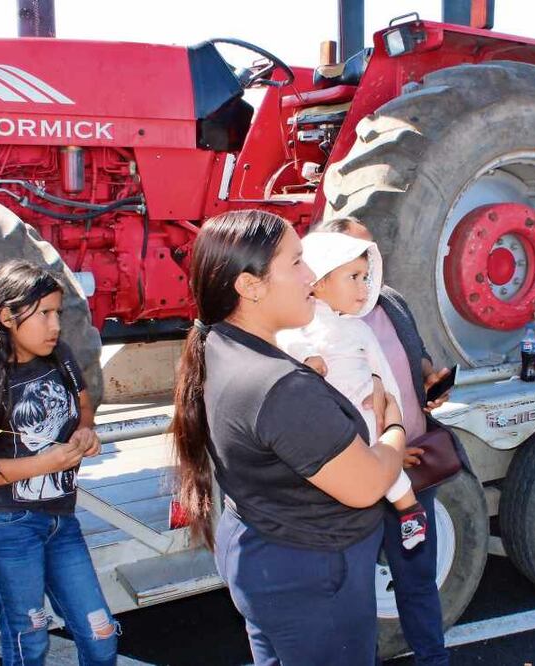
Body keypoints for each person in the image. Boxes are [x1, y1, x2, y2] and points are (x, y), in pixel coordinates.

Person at [170, 210, 408, 665]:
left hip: (270, 557)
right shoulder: (279, 386)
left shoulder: (220, 345)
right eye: (296, 262)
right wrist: (393, 427)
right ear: (250, 286)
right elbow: (367, 484)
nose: (311, 275)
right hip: (311, 575)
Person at [0, 259, 117, 666]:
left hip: (60, 521)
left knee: (101, 634)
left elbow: (83, 405)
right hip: (4, 528)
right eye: (43, 314)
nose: (54, 325)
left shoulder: (60, 356)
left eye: (57, 313)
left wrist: (85, 432)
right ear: (8, 317)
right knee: (30, 641)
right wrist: (44, 464)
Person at [312, 216, 456, 666]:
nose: (367, 272)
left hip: (414, 469)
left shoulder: (391, 301)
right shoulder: (314, 327)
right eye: (354, 264)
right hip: (357, 481)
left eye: (369, 259)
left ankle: (433, 659)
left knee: (418, 579)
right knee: (353, 595)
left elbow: (417, 355)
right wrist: (387, 452)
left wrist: (429, 379)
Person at [277, 232, 428, 549]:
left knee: (388, 473)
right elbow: (285, 342)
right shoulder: (298, 324)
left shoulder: (360, 329)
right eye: (354, 277)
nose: (364, 287)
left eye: (366, 278)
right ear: (319, 282)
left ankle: (411, 514)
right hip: (333, 424)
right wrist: (307, 356)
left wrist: (392, 414)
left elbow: (384, 375)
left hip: (368, 414)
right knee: (359, 473)